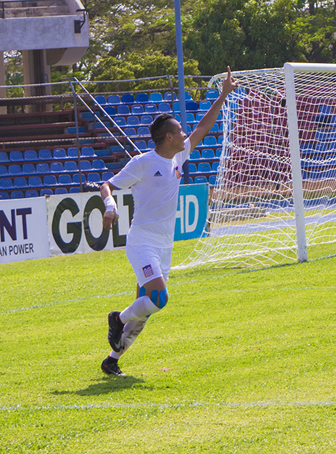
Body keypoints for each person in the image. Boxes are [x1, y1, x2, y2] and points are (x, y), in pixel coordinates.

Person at [100, 68, 239, 376]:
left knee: (145, 310)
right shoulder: (144, 162)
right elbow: (106, 185)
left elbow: (203, 128)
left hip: (164, 244)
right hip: (142, 241)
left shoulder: (176, 158)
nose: (185, 135)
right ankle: (116, 319)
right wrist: (110, 206)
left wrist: (223, 95)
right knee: (159, 298)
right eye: (179, 131)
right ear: (168, 137)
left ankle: (112, 360)